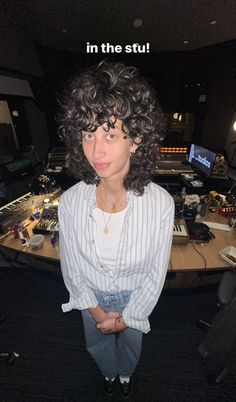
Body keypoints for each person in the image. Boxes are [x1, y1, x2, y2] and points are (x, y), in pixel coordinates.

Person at [57, 60, 174, 398]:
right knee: (96, 346)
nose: (96, 150)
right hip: (89, 295)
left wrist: (128, 317)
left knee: (132, 347)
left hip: (134, 298)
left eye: (110, 134)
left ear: (135, 140)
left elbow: (155, 274)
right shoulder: (70, 202)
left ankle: (126, 375)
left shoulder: (161, 204)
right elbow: (72, 267)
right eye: (88, 135)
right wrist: (93, 308)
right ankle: (109, 374)